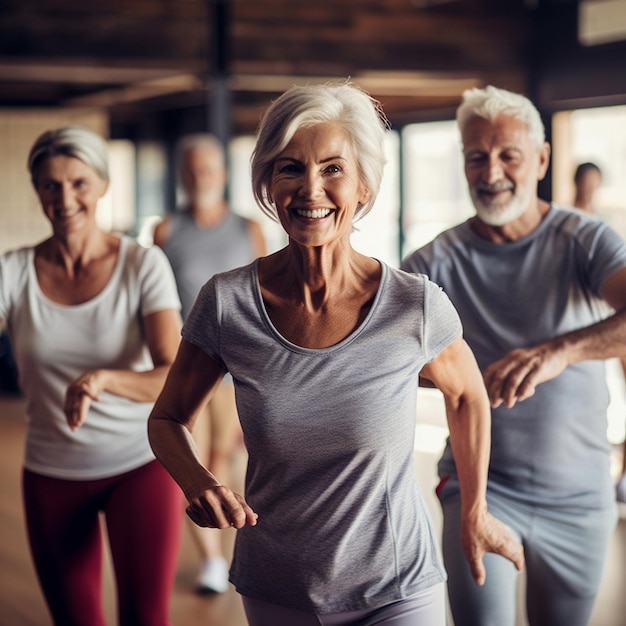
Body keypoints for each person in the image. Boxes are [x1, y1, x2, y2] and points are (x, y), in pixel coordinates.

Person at [148, 81, 523, 626]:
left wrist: (474, 511)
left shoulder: (413, 305)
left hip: (397, 586)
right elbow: (167, 417)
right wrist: (198, 481)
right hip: (278, 583)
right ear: (268, 184)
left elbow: (467, 396)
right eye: (290, 168)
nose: (310, 189)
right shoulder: (227, 304)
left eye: (332, 169)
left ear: (364, 187)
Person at [401, 85, 626, 626]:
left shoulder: (585, 240)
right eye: (477, 156)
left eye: (509, 156)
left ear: (542, 160)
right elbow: (390, 364)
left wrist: (561, 352)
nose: (492, 171)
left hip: (580, 496)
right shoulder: (432, 262)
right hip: (480, 490)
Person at [0, 125, 184, 626]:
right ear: (37, 190)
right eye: (50, 185)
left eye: (79, 183)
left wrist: (103, 380)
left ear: (102, 185)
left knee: (146, 619)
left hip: (140, 466)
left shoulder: (142, 265)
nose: (65, 198)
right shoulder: (13, 272)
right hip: (51, 472)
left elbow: (175, 375)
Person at [153, 133, 266, 593]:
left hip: (236, 366)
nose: (200, 178)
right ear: (182, 176)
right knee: (193, 463)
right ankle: (212, 562)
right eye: (192, 170)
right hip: (190, 362)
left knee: (221, 454)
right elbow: (154, 302)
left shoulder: (247, 228)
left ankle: (224, 541)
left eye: (209, 170)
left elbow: (266, 296)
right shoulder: (164, 231)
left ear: (222, 176)